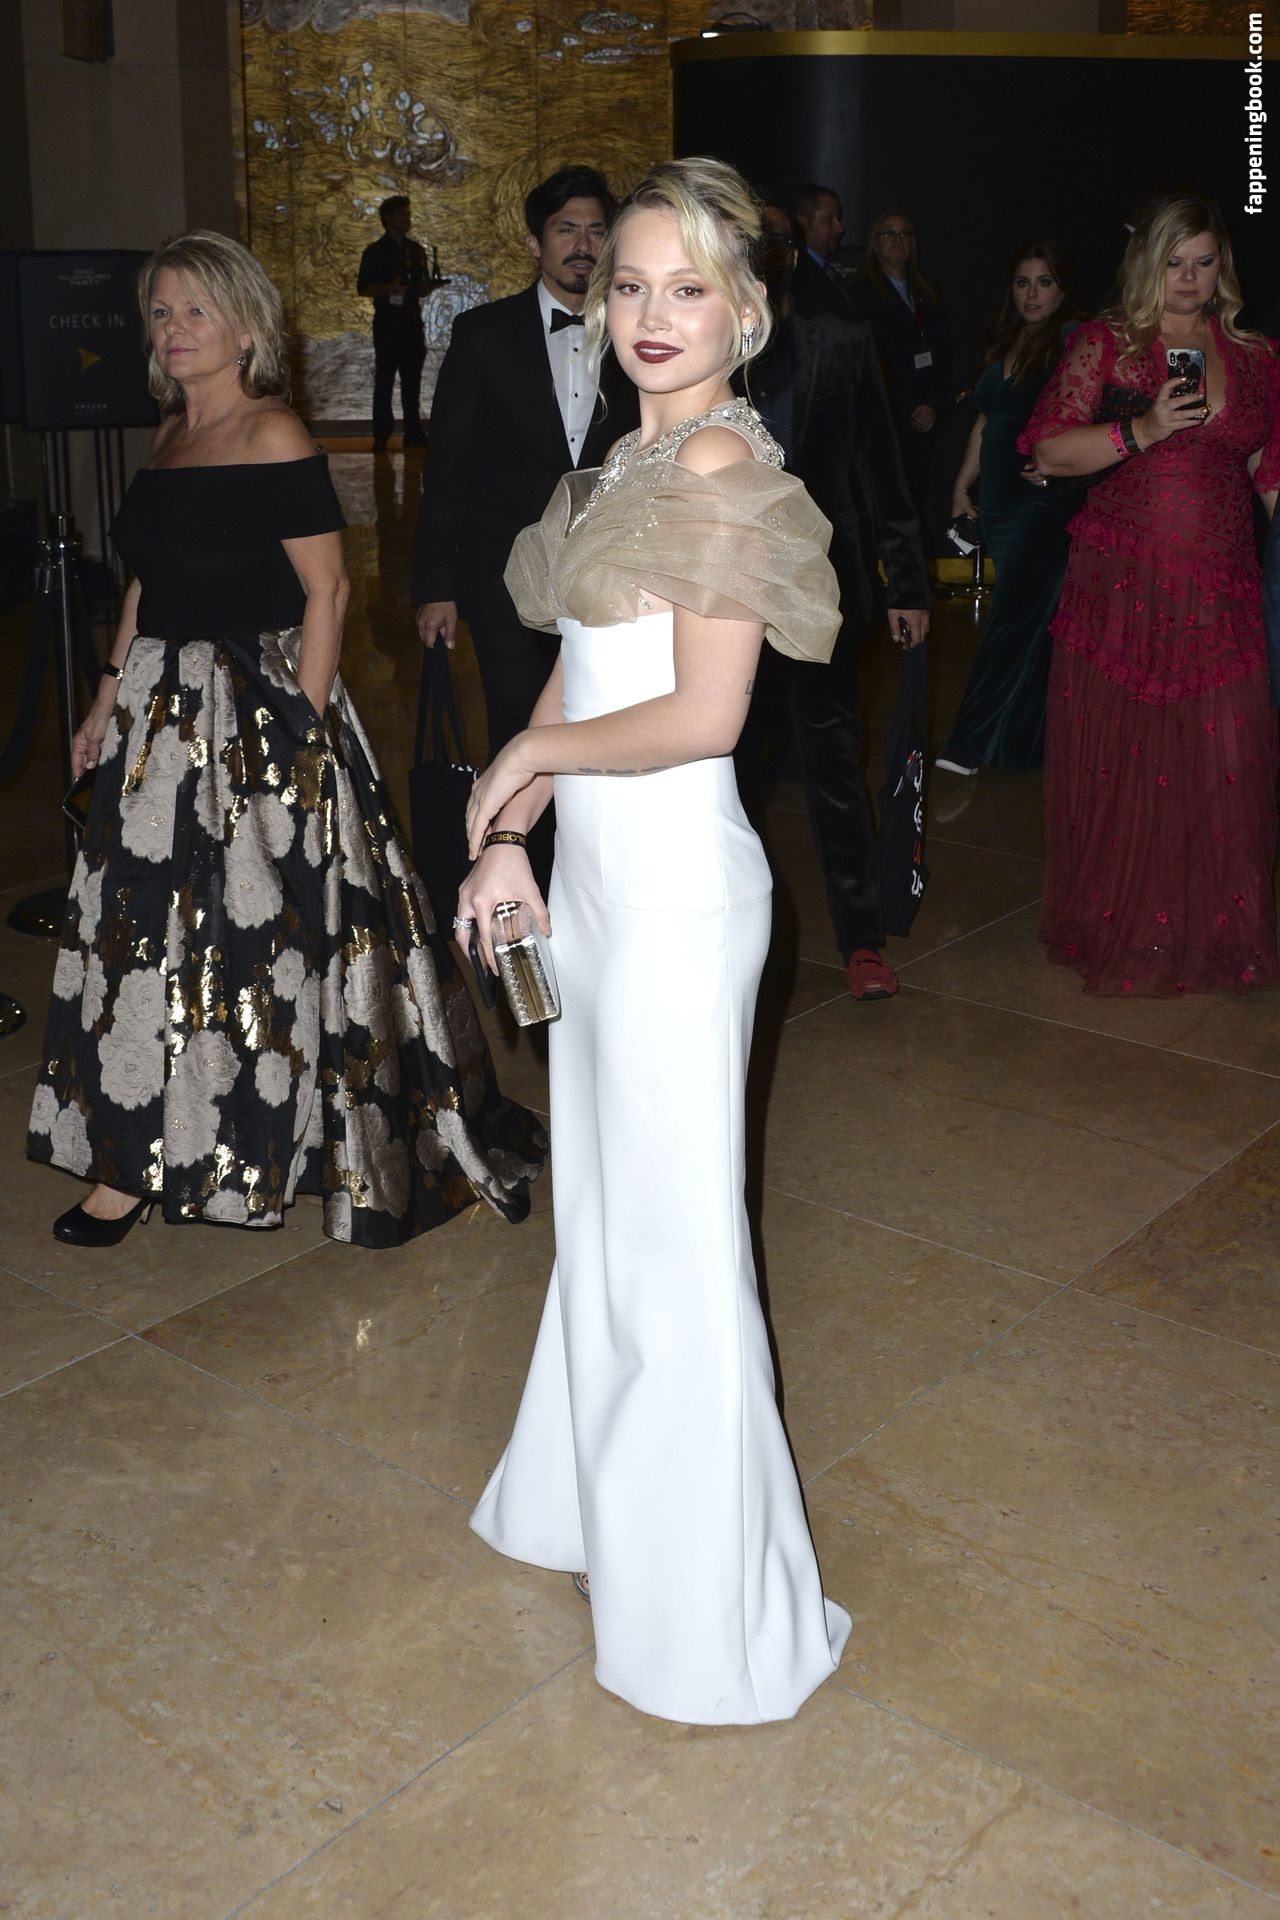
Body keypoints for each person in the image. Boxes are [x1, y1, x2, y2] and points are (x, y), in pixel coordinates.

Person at [459, 158, 852, 1724]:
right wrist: (512, 829)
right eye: (628, 283)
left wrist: (530, 757)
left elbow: (702, 716)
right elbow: (583, 661)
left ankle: (709, 1621)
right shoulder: (624, 459)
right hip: (604, 896)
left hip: (686, 903)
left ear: (745, 312)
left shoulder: (722, 464)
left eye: (688, 287)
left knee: (679, 1249)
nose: (651, 313)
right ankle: (588, 1508)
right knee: (607, 1216)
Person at [27, 231, 545, 1247]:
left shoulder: (274, 434)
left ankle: (270, 1140)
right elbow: (144, 585)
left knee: (258, 942)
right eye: (161, 312)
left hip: (254, 706)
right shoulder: (169, 436)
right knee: (138, 939)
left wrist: (296, 735)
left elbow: (328, 592)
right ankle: (129, 1164)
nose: (174, 329)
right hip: (157, 722)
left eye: (196, 310)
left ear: (246, 328)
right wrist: (104, 698)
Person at [1023, 193, 1280, 997]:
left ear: (1222, 266)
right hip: (1124, 585)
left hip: (1222, 584)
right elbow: (1048, 453)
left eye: (1204, 262)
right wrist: (1142, 429)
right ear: (1147, 263)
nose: (1190, 279)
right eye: (1174, 263)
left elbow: (1267, 469)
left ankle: (1219, 931)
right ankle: (1127, 926)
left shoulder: (1256, 356)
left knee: (1224, 758)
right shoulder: (1108, 344)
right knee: (1131, 760)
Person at [411, 166, 640, 895]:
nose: (582, 245)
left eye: (596, 230)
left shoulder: (641, 332)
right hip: (503, 576)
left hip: (611, 576)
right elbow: (448, 466)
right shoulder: (483, 335)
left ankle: (592, 886)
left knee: (603, 724)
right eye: (566, 229)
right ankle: (521, 889)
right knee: (518, 727)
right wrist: (437, 584)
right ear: (535, 243)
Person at [738, 202, 930, 1001]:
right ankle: (729, 944)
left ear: (791, 256)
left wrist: (907, 582)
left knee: (835, 769)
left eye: (774, 243)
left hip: (824, 592)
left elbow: (882, 469)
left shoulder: (842, 343)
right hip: (722, 596)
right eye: (747, 242)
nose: (762, 255)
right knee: (726, 775)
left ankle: (862, 938)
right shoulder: (697, 348)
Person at [937, 241, 1082, 774]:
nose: (1032, 294)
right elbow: (985, 421)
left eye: (1044, 282)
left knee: (1009, 622)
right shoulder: (1010, 341)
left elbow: (1091, 409)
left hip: (1042, 505)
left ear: (1062, 289)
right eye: (1023, 283)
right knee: (1029, 624)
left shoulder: (1072, 340)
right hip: (1000, 504)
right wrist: (962, 487)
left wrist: (1060, 462)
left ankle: (969, 743)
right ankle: (1024, 745)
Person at [850, 209, 952, 524]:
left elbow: (943, 353)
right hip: (887, 416)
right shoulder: (861, 293)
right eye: (889, 234)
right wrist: (906, 406)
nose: (898, 240)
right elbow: (868, 360)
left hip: (926, 414)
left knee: (919, 494)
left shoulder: (927, 291)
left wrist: (932, 403)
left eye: (905, 234)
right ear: (875, 242)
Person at [356, 195, 431, 452]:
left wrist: (423, 287)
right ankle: (381, 434)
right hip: (387, 324)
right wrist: (390, 288)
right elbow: (363, 288)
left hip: (411, 322)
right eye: (402, 214)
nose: (407, 219)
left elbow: (422, 286)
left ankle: (413, 432)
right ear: (388, 218)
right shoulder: (374, 252)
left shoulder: (416, 250)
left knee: (412, 381)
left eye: (408, 214)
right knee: (384, 381)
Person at [787, 182, 857, 321]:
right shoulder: (797, 274)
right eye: (829, 220)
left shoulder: (825, 269)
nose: (839, 229)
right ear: (802, 221)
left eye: (838, 219)